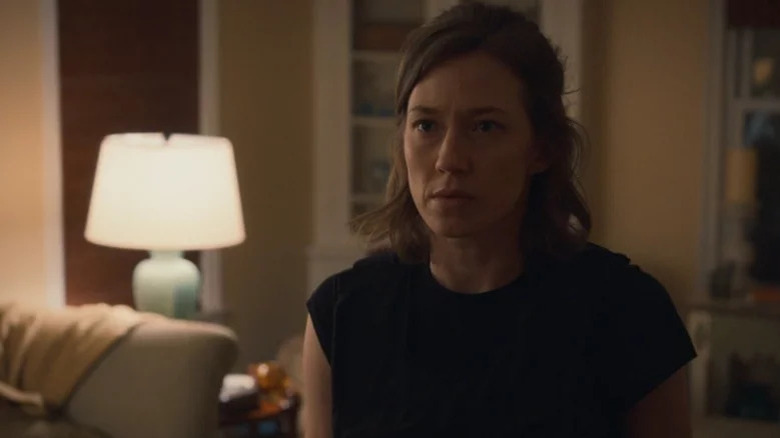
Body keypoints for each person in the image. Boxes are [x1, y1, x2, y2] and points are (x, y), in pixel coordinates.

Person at [303, 3, 696, 437]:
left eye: (485, 127)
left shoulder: (629, 313)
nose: (449, 159)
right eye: (426, 126)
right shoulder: (342, 314)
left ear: (541, 149)